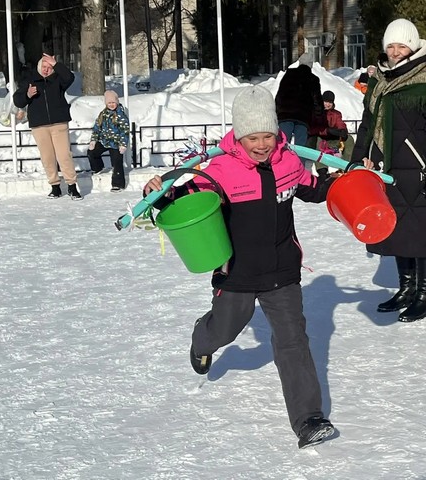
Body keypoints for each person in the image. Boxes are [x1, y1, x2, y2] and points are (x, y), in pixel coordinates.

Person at [142, 85, 336, 448]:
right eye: (253, 137)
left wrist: (342, 179)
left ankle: (309, 419)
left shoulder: (289, 161)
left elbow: (312, 188)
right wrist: (159, 192)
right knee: (226, 328)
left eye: (268, 136)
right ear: (239, 135)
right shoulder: (221, 169)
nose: (262, 145)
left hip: (282, 270)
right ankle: (202, 338)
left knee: (293, 340)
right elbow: (182, 199)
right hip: (238, 272)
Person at [351, 18, 426, 323]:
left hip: (418, 169)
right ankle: (406, 289)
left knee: (422, 230)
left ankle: (425, 297)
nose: (395, 52)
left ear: (413, 46)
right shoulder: (380, 81)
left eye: (401, 46)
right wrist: (356, 160)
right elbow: (367, 125)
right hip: (387, 169)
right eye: (390, 46)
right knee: (398, 230)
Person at [13, 52, 82, 200]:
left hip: (59, 123)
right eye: (44, 66)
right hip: (39, 125)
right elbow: (18, 101)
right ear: (39, 67)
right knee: (47, 157)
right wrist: (27, 95)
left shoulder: (58, 79)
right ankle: (55, 186)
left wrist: (56, 64)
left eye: (49, 67)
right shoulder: (30, 80)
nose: (46, 69)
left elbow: (70, 78)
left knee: (64, 155)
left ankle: (72, 186)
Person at [275, 52, 324, 149]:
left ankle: (282, 159)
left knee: (283, 144)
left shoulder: (289, 74)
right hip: (303, 117)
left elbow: (280, 94)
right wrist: (318, 115)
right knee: (300, 148)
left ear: (300, 62)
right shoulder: (313, 79)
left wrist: (277, 111)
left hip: (285, 114)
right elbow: (317, 99)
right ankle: (299, 159)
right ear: (310, 65)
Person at [87, 90, 130, 192]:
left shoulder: (121, 115)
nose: (111, 105)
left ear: (117, 102)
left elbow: (125, 131)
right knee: (92, 152)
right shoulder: (103, 114)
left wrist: (123, 144)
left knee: (116, 163)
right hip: (104, 141)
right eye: (109, 103)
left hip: (116, 143)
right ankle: (97, 167)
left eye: (113, 102)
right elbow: (97, 128)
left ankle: (118, 184)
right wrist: (93, 140)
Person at [311, 90, 354, 175]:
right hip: (322, 140)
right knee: (318, 139)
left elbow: (340, 123)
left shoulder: (336, 114)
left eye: (330, 102)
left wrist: (343, 131)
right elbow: (313, 128)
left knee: (349, 139)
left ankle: (345, 167)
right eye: (325, 102)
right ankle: (322, 169)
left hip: (333, 140)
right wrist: (327, 131)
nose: (327, 104)